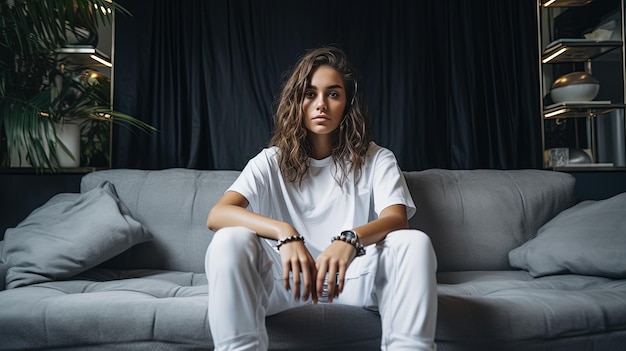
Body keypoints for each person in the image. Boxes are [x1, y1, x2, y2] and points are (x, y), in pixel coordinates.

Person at [205, 46, 437, 351]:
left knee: (415, 243)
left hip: (351, 278)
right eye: (309, 94)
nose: (321, 105)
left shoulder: (376, 158)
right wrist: (285, 233)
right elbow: (218, 214)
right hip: (284, 280)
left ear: (347, 104)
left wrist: (350, 240)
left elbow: (396, 220)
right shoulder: (270, 161)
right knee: (228, 240)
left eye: (333, 94)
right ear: (296, 102)